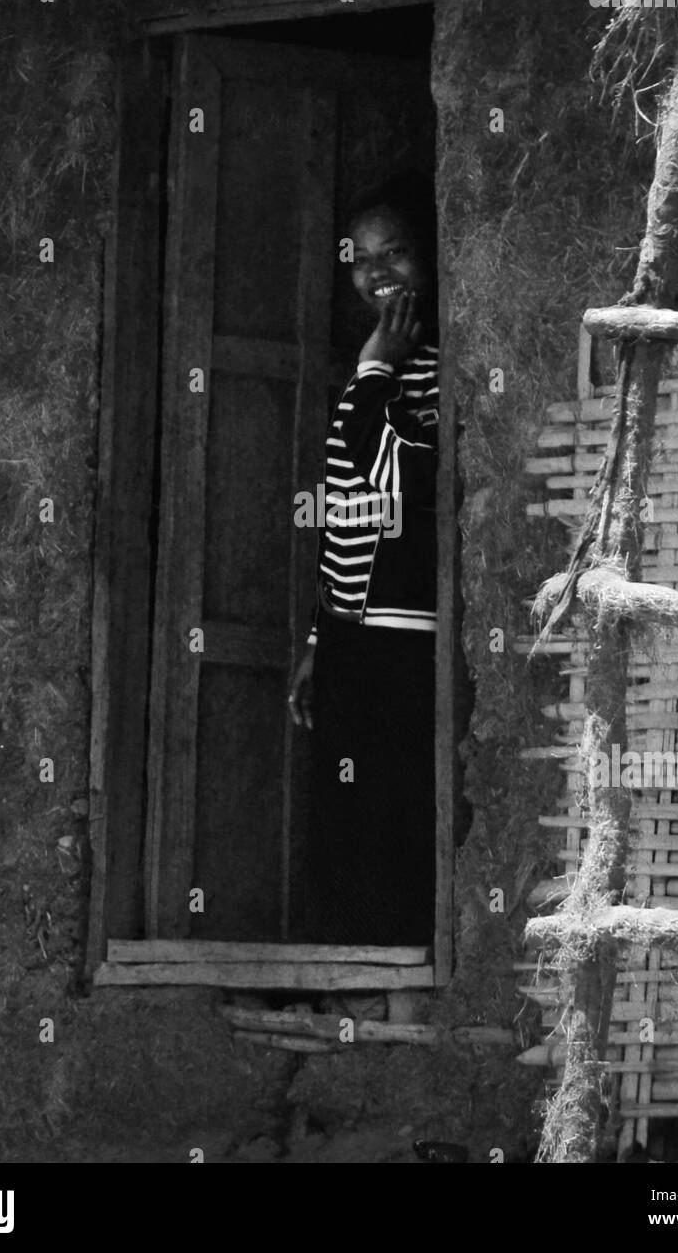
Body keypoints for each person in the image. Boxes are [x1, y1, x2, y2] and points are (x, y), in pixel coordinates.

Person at [288, 172, 439, 946]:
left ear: (430, 259)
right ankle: (353, 986)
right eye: (361, 258)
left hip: (403, 638)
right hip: (353, 635)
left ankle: (394, 988)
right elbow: (348, 515)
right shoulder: (373, 365)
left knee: (388, 819)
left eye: (398, 254)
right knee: (340, 821)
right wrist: (322, 636)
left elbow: (398, 482)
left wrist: (380, 367)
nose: (378, 273)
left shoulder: (431, 367)